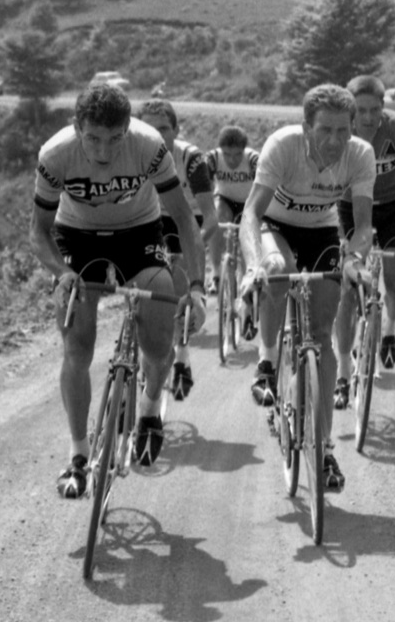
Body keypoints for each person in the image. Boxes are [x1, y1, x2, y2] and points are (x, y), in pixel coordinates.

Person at [31, 83, 206, 498]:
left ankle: (148, 409)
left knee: (159, 320)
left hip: (137, 234)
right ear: (77, 128)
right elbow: (38, 232)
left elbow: (183, 219)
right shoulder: (55, 154)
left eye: (114, 139)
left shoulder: (148, 145)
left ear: (129, 129)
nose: (104, 152)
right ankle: (78, 458)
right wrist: (61, 272)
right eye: (93, 138)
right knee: (77, 341)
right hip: (77, 236)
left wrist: (196, 288)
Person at [240, 84, 375, 493]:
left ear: (352, 129)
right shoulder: (283, 146)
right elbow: (251, 212)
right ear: (306, 127)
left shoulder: (360, 155)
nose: (334, 141)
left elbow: (363, 225)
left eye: (342, 131)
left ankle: (326, 448)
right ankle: (266, 364)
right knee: (279, 269)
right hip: (276, 228)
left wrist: (353, 259)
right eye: (324, 131)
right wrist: (252, 266)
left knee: (322, 337)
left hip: (320, 233)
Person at [333, 76, 395, 406]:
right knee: (347, 288)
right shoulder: (340, 129)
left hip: (393, 207)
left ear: (384, 108)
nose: (368, 118)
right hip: (350, 206)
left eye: (375, 110)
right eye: (361, 111)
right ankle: (343, 371)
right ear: (349, 110)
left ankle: (389, 328)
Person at [137, 100, 218, 402]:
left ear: (176, 130)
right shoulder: (132, 153)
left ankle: (181, 355)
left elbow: (211, 217)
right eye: (148, 128)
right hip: (151, 220)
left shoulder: (192, 158)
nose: (156, 135)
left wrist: (190, 251)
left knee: (180, 279)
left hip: (187, 219)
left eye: (164, 129)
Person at [205, 124, 260, 338]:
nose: (232, 160)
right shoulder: (213, 158)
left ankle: (247, 308)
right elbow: (203, 187)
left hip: (248, 203)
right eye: (227, 154)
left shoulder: (253, 159)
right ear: (220, 150)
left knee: (247, 259)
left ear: (244, 151)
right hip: (226, 200)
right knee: (217, 217)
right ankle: (217, 273)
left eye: (237, 155)